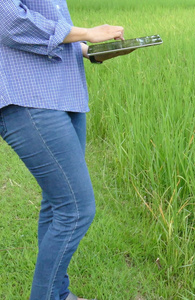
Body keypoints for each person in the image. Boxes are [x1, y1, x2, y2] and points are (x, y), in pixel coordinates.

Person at [0, 1, 133, 299]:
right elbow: (9, 23)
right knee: (76, 208)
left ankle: (58, 294)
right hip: (28, 97)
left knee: (57, 203)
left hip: (65, 92)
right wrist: (89, 32)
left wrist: (89, 49)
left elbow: (52, 29)